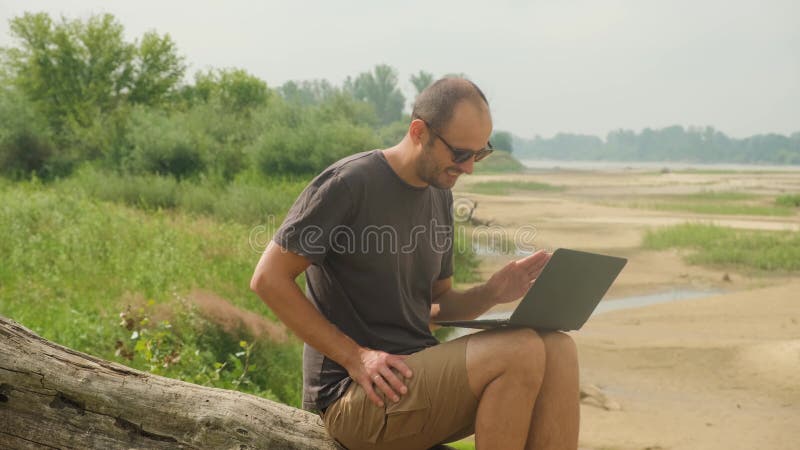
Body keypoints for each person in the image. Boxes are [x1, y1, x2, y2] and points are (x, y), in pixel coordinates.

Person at [250, 78, 579, 450]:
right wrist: (356, 357)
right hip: (355, 395)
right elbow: (267, 278)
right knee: (521, 349)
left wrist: (494, 292)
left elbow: (439, 304)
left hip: (414, 377)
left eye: (479, 154)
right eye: (460, 154)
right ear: (419, 131)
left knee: (557, 348)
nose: (469, 168)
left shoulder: (439, 195)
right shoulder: (349, 183)